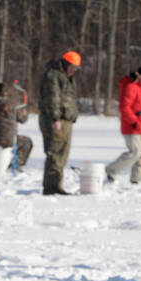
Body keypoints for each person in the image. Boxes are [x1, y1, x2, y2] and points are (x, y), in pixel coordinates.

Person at [38, 51, 80, 194]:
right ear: (66, 64)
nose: (74, 71)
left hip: (65, 120)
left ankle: (56, 184)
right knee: (55, 153)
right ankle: (51, 187)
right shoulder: (54, 76)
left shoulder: (65, 77)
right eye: (72, 67)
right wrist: (55, 119)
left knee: (62, 154)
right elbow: (52, 98)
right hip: (56, 120)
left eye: (76, 69)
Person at [105, 66, 141, 185]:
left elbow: (139, 107)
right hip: (132, 127)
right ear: (140, 77)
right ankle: (111, 171)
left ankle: (136, 180)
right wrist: (134, 121)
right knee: (135, 152)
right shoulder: (131, 87)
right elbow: (124, 107)